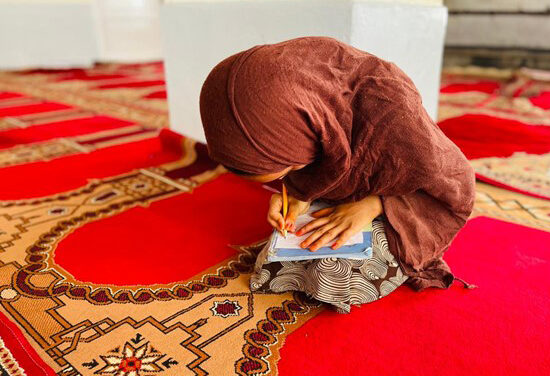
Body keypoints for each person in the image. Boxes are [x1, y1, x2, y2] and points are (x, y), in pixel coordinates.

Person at [199, 37, 475, 311]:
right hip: (347, 189)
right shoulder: (305, 106)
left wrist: (373, 206)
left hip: (407, 205)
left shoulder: (397, 122)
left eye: (290, 169)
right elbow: (322, 162)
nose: (288, 178)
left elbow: (455, 187)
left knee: (334, 274)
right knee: (275, 258)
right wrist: (297, 194)